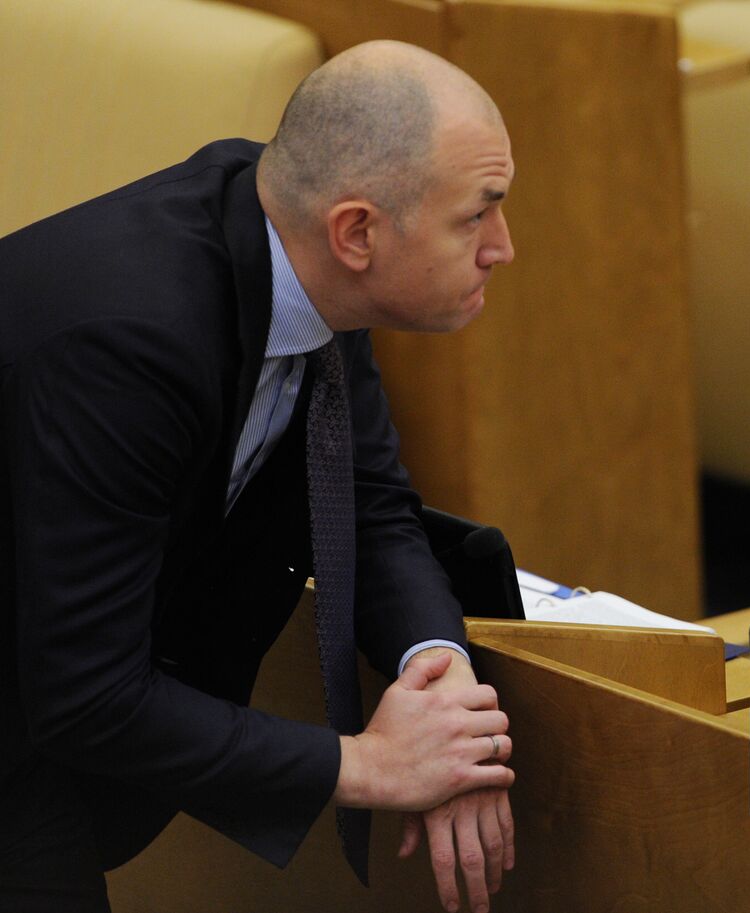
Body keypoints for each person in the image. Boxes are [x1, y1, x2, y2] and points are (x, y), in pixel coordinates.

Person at [0, 41, 517, 913]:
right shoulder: (129, 344)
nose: (502, 247)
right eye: (478, 215)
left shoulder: (294, 238)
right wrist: (374, 763)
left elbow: (375, 508)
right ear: (357, 231)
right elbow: (87, 692)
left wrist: (442, 690)